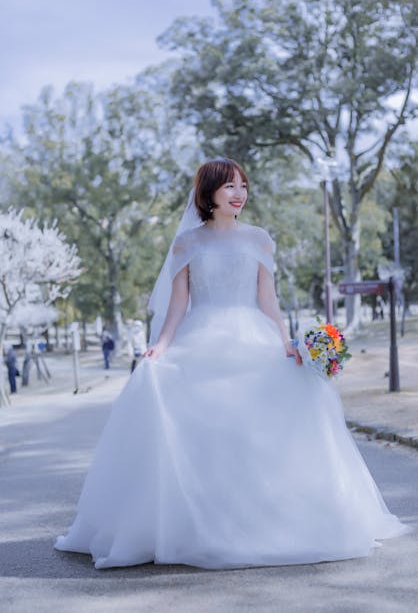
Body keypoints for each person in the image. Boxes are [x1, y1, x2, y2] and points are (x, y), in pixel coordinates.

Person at [55, 158, 411, 570]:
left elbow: (268, 300)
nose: (239, 193)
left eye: (243, 185)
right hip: (201, 335)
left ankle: (277, 515)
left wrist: (286, 342)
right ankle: (198, 521)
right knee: (192, 417)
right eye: (229, 187)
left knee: (285, 411)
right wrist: (161, 347)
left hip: (252, 334)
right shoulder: (188, 243)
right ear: (209, 194)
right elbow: (177, 305)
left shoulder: (258, 239)